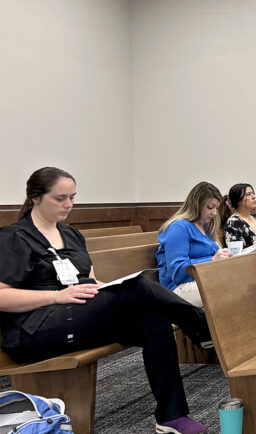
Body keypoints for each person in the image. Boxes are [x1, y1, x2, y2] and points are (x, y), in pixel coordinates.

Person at [0, 167, 210, 434]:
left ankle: (171, 417)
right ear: (35, 197)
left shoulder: (72, 236)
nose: (69, 205)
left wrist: (107, 288)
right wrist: (56, 295)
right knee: (139, 288)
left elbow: (90, 281)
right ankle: (202, 327)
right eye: (60, 198)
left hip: (77, 316)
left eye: (73, 197)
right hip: (35, 328)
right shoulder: (15, 237)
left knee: (154, 321)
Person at [157, 182, 231, 307]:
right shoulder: (178, 227)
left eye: (217, 208)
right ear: (196, 205)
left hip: (203, 281)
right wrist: (212, 260)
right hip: (177, 289)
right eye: (210, 207)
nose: (214, 213)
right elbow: (177, 272)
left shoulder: (206, 226)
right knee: (230, 287)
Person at [222, 183, 256, 251]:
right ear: (238, 200)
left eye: (253, 193)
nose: (254, 197)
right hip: (255, 260)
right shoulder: (233, 222)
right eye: (248, 194)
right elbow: (237, 253)